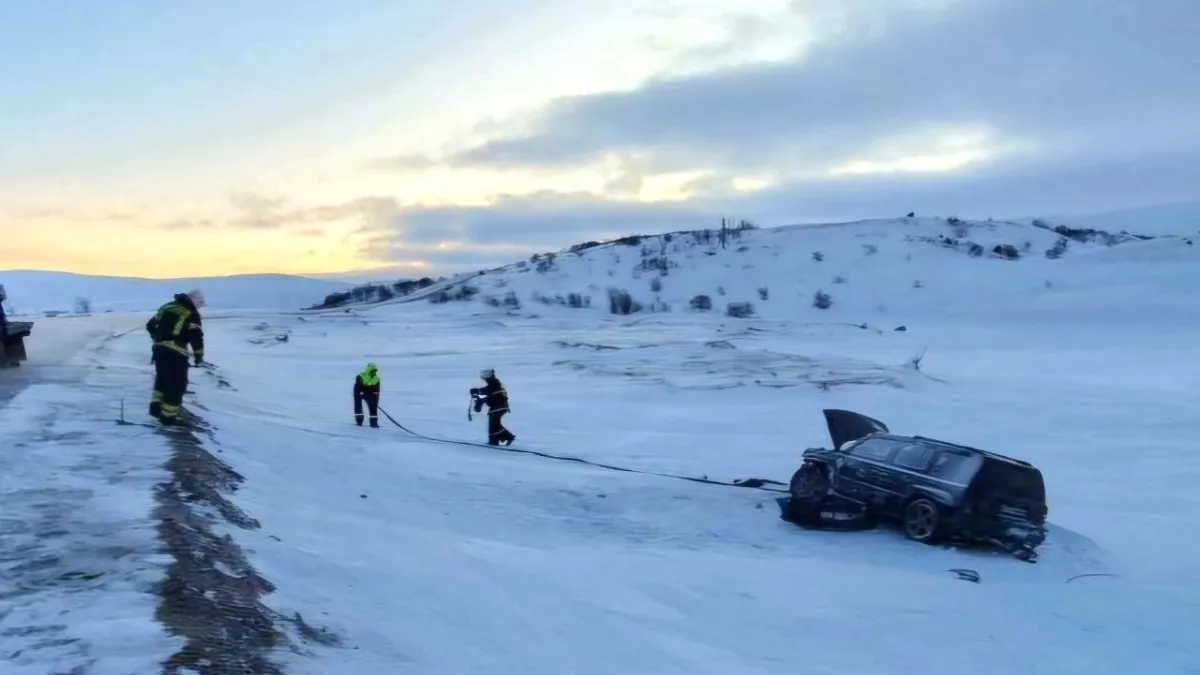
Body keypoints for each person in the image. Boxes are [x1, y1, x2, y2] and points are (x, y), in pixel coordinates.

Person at [146, 290, 205, 425]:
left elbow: (149, 326)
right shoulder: (191, 313)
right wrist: (198, 356)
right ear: (195, 301)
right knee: (177, 384)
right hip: (176, 352)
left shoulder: (167, 307)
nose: (200, 307)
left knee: (162, 379)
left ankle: (155, 408)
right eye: (200, 304)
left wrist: (158, 339)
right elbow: (196, 336)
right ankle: (168, 417)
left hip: (159, 350)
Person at [471, 368, 515, 446]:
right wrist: (478, 401)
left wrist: (478, 391)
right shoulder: (492, 384)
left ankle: (503, 438)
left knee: (494, 424)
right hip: (497, 407)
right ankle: (496, 439)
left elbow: (489, 389)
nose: (485, 377)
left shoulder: (495, 382)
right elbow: (483, 396)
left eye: (486, 374)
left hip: (499, 406)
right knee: (494, 424)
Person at [353, 362, 381, 427]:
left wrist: (375, 398)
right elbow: (357, 386)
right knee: (358, 406)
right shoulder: (360, 376)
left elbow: (377, 390)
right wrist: (359, 393)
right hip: (359, 391)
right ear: (368, 370)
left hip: (370, 392)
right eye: (373, 371)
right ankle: (359, 421)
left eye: (375, 371)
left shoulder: (376, 379)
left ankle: (373, 423)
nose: (374, 373)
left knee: (373, 407)